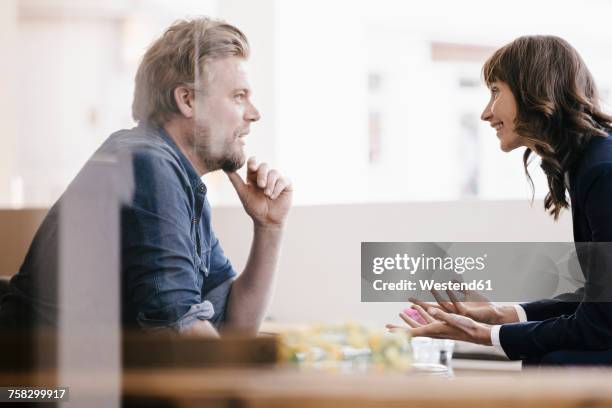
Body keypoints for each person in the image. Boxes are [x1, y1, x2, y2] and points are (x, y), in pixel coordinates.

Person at [0, 17, 292, 337]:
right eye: (239, 96)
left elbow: (235, 327)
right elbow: (183, 339)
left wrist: (269, 228)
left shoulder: (180, 178)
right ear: (187, 100)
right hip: (31, 380)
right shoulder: (148, 166)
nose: (254, 113)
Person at [388, 35, 612, 365]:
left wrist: (485, 335)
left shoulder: (602, 170)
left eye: (495, 92)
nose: (485, 113)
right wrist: (502, 314)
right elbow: (600, 301)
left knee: (556, 362)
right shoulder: (590, 163)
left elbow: (601, 324)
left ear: (534, 89)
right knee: (548, 358)